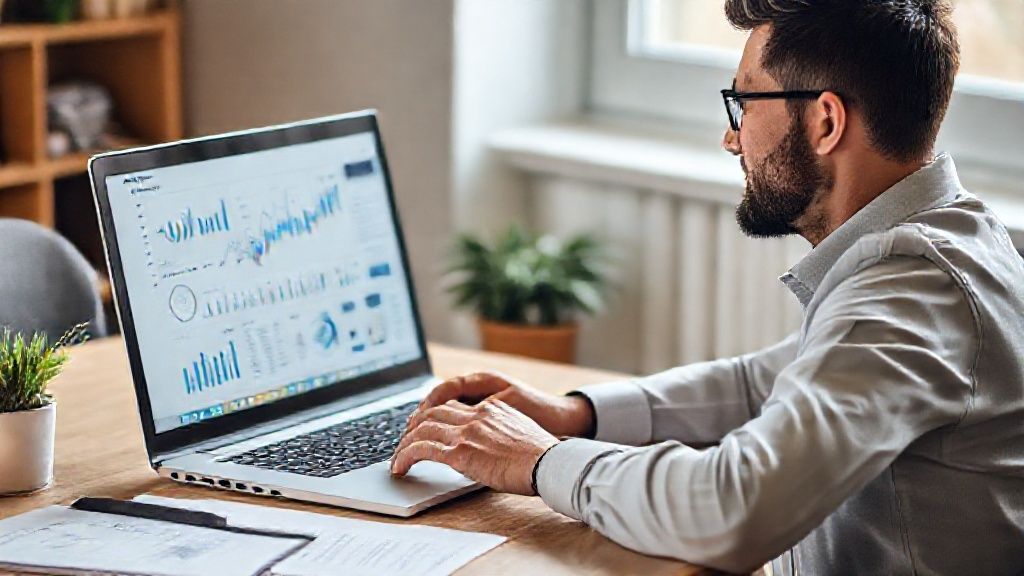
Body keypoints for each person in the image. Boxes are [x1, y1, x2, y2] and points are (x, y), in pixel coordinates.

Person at [391, 1, 1024, 573]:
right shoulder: (952, 239)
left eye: (744, 104)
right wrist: (579, 414)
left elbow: (736, 507)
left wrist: (538, 461)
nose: (731, 137)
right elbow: (764, 382)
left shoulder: (909, 290)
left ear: (826, 122)